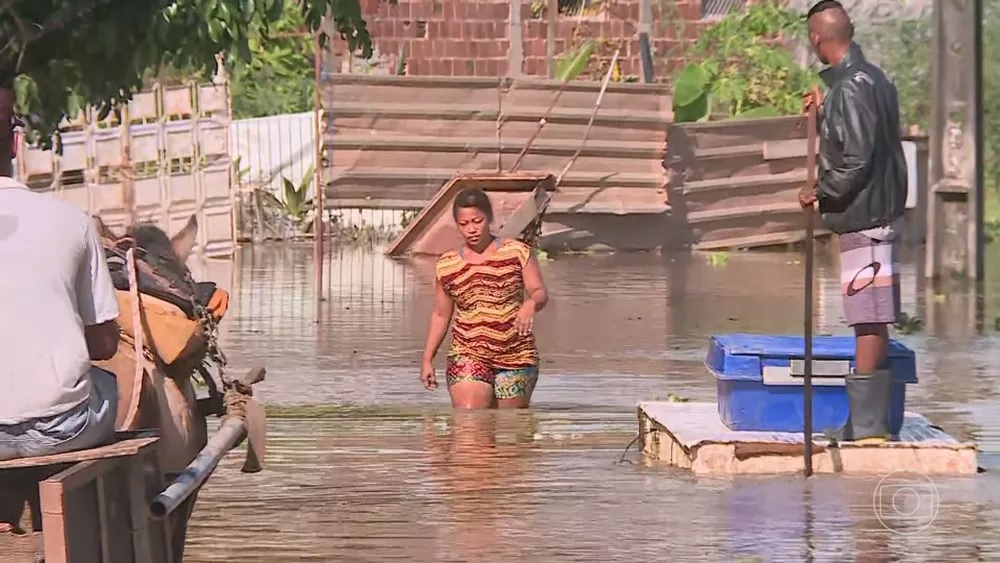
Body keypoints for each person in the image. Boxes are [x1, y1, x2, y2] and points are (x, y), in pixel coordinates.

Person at [800, 1, 908, 443]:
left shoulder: (852, 87)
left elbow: (858, 158)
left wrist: (820, 191)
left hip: (867, 216)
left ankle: (866, 426)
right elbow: (863, 136)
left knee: (869, 317)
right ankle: (864, 422)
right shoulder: (873, 80)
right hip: (874, 213)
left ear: (817, 39)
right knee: (870, 316)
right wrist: (825, 112)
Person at [0, 87, 121, 462]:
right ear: (15, 143)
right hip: (60, 429)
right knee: (106, 384)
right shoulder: (72, 221)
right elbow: (104, 345)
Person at [420, 188, 549, 409]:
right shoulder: (448, 265)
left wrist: (531, 303)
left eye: (477, 221)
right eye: (464, 224)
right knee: (471, 417)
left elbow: (540, 292)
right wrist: (427, 359)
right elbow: (441, 315)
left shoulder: (517, 252)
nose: (471, 229)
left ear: (488, 218)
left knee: (509, 425)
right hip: (467, 353)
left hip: (516, 355)